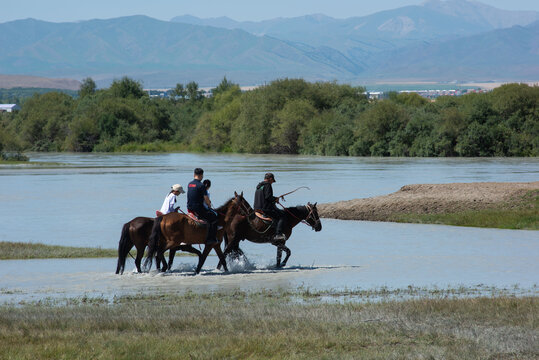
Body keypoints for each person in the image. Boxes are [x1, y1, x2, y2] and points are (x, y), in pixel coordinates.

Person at [187, 168, 218, 245]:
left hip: (189, 208)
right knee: (214, 217)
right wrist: (209, 205)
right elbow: (206, 199)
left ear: (194, 175)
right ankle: (211, 239)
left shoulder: (190, 184)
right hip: (198, 209)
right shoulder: (201, 185)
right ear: (201, 175)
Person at [254, 172, 287, 241]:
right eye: (272, 181)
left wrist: (274, 199)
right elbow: (268, 197)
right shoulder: (268, 185)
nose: (272, 183)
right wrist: (275, 199)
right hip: (265, 209)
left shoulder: (259, 185)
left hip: (257, 208)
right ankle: (278, 234)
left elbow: (264, 198)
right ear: (271, 179)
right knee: (282, 216)